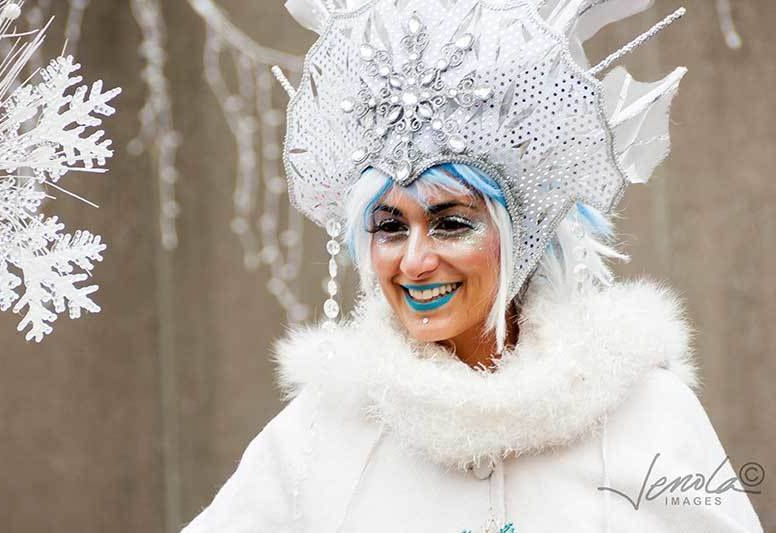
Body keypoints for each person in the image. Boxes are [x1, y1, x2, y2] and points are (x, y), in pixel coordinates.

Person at [183, 0, 764, 531]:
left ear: (521, 238)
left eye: (451, 223)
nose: (415, 261)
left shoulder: (643, 413)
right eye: (390, 227)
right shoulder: (320, 432)